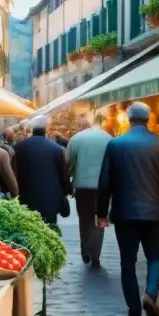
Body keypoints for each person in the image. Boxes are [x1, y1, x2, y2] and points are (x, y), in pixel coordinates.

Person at [97, 102, 159, 316]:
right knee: (155, 256)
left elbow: (105, 182)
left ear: (128, 118)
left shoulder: (115, 145)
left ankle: (134, 311)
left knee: (128, 262)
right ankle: (151, 294)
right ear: (149, 118)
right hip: (155, 212)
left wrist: (101, 212)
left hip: (125, 213)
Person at [66, 113, 112, 268]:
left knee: (84, 219)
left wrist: (72, 175)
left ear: (82, 125)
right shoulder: (108, 137)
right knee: (100, 219)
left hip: (82, 186)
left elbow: (69, 162)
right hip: (103, 187)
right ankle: (95, 254)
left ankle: (86, 249)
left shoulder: (76, 139)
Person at [14, 115, 71, 227]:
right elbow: (62, 174)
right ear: (45, 131)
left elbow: (15, 172)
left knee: (29, 228)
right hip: (50, 198)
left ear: (32, 131)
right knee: (49, 229)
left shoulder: (19, 147)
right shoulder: (56, 149)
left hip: (26, 196)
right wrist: (65, 191)